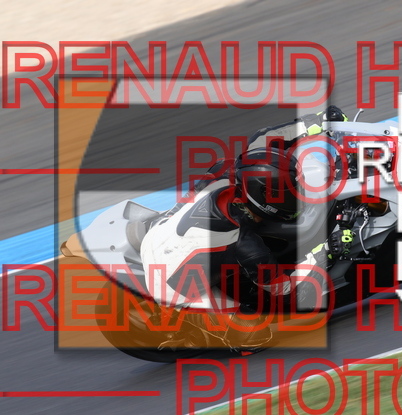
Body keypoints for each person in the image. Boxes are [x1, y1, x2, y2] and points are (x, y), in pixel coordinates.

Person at [140, 109, 353, 350]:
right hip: (169, 282)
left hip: (160, 231)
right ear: (263, 198)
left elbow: (263, 138)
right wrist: (325, 252)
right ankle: (187, 322)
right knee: (255, 335)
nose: (297, 194)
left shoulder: (230, 169)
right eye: (287, 193)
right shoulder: (244, 244)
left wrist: (317, 121)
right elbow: (285, 291)